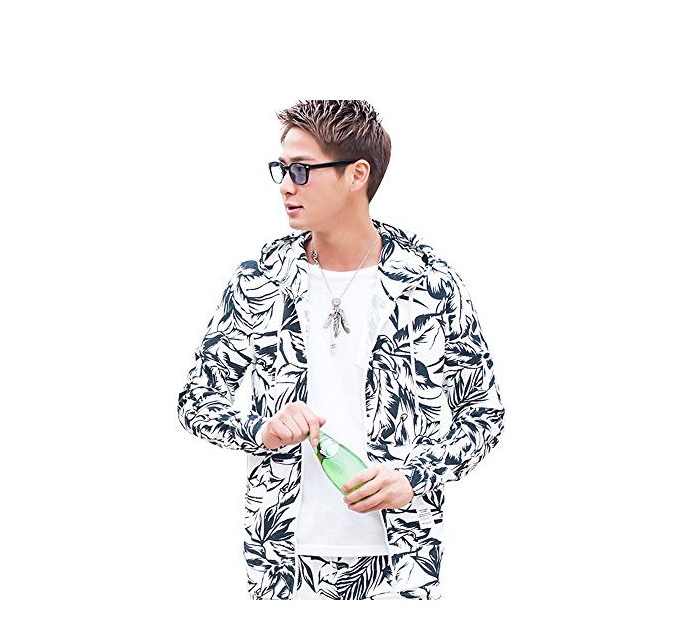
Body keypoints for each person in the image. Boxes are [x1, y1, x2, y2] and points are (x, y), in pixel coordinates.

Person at [177, 99, 506, 600]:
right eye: (282, 169)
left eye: (302, 170)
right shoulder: (260, 282)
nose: (286, 186)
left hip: (403, 562)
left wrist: (415, 477)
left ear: (357, 174)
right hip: (281, 564)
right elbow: (196, 401)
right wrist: (262, 429)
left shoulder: (430, 285)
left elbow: (483, 413)